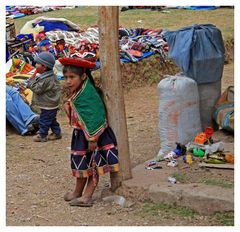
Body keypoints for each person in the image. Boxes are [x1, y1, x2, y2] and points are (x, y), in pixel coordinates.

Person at [59, 57, 120, 207]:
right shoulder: (79, 91)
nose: (68, 81)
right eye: (66, 77)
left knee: (92, 165)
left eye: (72, 77)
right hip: (80, 135)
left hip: (94, 136)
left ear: (83, 76)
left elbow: (96, 116)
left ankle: (87, 196)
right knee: (81, 164)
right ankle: (77, 192)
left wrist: (93, 139)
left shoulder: (88, 94)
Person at [27, 51, 62, 142]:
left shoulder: (46, 79)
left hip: (48, 104)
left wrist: (30, 82)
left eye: (38, 63)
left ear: (44, 67)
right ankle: (57, 133)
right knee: (51, 119)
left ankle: (42, 135)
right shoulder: (47, 76)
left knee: (44, 120)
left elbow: (38, 89)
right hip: (50, 103)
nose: (35, 65)